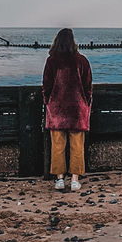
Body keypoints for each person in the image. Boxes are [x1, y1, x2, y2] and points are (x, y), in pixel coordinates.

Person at [42, 27, 92, 192]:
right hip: (77, 110)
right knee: (77, 144)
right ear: (73, 42)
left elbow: (46, 85)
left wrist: (47, 102)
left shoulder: (51, 61)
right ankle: (75, 179)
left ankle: (59, 179)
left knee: (57, 145)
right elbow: (88, 86)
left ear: (57, 41)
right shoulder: (82, 61)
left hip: (56, 110)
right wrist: (86, 102)